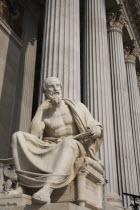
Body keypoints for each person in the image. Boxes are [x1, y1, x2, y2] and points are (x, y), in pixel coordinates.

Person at [11, 77, 103, 203]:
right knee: (18, 136)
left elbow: (94, 123)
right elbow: (33, 135)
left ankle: (47, 188)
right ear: (45, 92)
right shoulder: (44, 112)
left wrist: (96, 129)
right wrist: (40, 110)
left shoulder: (76, 106)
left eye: (57, 86)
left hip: (76, 145)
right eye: (51, 87)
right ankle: (24, 185)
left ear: (61, 87)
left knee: (68, 143)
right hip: (51, 145)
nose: (55, 89)